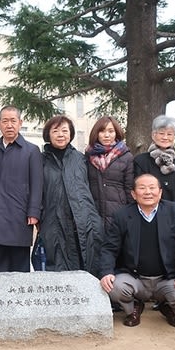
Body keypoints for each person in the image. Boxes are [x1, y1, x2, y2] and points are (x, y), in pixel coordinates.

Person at [98, 174, 175, 329]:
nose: (148, 192)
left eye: (152, 188)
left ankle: (169, 309)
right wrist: (106, 272)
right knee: (114, 287)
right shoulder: (122, 215)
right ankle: (133, 309)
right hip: (135, 278)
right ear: (133, 194)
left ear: (160, 192)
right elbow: (109, 248)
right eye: (142, 188)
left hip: (166, 278)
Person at [40, 115, 103, 274]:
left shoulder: (81, 159)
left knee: (87, 267)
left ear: (71, 133)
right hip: (53, 222)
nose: (60, 135)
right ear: (48, 135)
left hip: (82, 222)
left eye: (64, 130)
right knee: (57, 269)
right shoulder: (40, 160)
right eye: (55, 131)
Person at [0, 105, 43, 272]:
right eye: (5, 121)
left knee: (20, 266)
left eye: (13, 121)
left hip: (21, 215)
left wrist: (34, 212)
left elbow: (37, 183)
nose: (9, 125)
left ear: (20, 123)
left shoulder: (32, 150)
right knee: (0, 263)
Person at [134, 115, 175, 211]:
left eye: (169, 134)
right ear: (153, 135)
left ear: (174, 137)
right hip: (147, 212)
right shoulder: (140, 161)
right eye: (161, 133)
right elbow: (137, 188)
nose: (165, 137)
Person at [85, 116, 133, 230]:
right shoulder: (88, 156)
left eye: (111, 131)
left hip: (119, 214)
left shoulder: (126, 157)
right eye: (102, 131)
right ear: (96, 133)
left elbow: (129, 188)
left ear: (117, 133)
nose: (106, 135)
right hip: (93, 214)